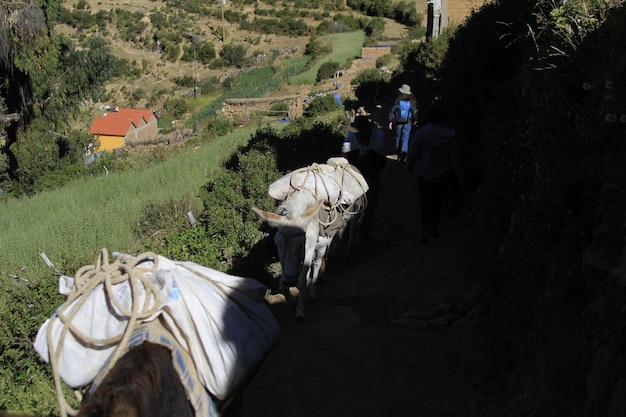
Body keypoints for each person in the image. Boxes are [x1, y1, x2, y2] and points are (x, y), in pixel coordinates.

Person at [406, 105, 465, 245]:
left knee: (425, 204)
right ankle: (435, 230)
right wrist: (461, 178)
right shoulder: (449, 134)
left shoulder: (421, 134)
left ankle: (425, 232)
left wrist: (409, 165)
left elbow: (413, 152)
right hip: (442, 173)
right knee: (437, 203)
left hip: (424, 173)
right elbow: (454, 158)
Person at [342, 115, 387, 240]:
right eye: (358, 134)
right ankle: (347, 231)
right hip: (353, 177)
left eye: (363, 133)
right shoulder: (350, 141)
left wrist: (369, 161)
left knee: (370, 204)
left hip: (372, 175)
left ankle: (364, 231)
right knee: (349, 204)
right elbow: (344, 160)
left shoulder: (377, 142)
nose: (360, 136)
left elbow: (382, 163)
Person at [388, 84, 418, 163]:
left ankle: (398, 154)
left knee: (398, 138)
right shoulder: (412, 101)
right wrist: (415, 120)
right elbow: (414, 111)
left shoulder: (398, 100)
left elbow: (393, 111)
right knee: (405, 139)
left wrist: (391, 121)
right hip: (408, 122)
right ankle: (403, 156)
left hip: (398, 122)